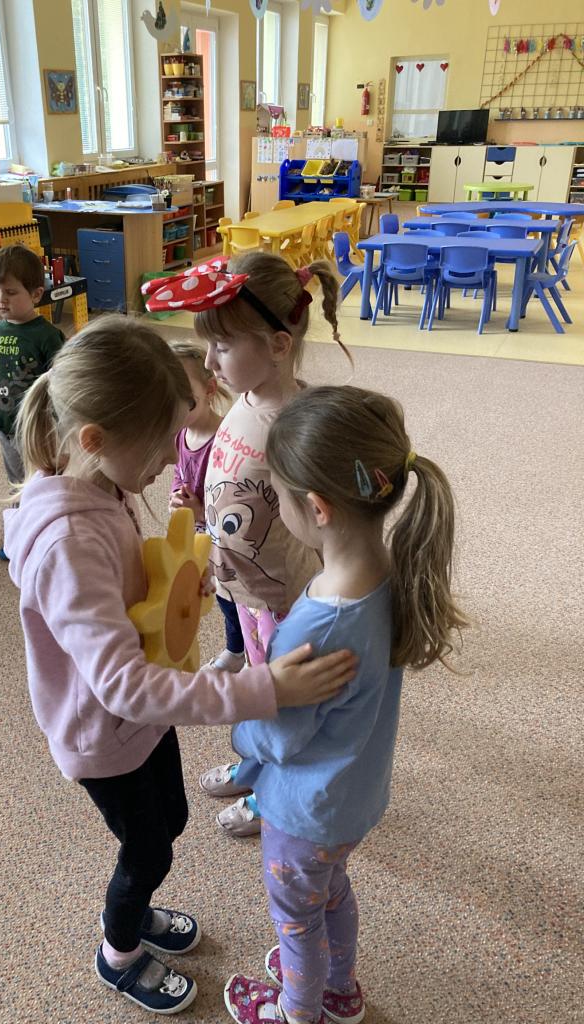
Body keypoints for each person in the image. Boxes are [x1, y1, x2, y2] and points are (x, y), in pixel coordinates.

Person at [3, 317, 358, 1017]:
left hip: (141, 722)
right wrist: (264, 689)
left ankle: (135, 909)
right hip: (105, 733)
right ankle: (119, 951)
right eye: (161, 442)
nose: (174, 456)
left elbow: (127, 604)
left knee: (169, 819)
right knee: (147, 850)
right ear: (95, 439)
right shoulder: (68, 542)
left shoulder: (100, 484)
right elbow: (122, 684)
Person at [222, 385, 468, 1024]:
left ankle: (299, 1010)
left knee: (295, 918)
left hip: (304, 810)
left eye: (277, 495)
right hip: (353, 798)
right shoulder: (391, 571)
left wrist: (239, 729)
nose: (275, 506)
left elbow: (279, 736)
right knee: (330, 893)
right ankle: (341, 987)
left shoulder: (321, 623)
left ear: (316, 508)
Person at [144, 252, 351, 838]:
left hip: (285, 599)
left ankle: (273, 792)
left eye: (222, 347)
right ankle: (257, 764)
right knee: (261, 689)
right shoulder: (247, 396)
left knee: (284, 703)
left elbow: (327, 522)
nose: (210, 363)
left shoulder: (294, 425)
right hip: (246, 589)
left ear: (279, 345)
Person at [0, 244, 65, 558]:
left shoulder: (47, 336)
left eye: (10, 292)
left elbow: (61, 385)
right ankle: (19, 537)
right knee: (17, 483)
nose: (1, 299)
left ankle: (48, 537)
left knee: (42, 483)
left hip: (38, 430)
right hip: (4, 427)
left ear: (35, 294)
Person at [168, 340, 245, 673]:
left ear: (210, 389)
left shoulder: (226, 438)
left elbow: (236, 502)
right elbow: (179, 474)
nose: (174, 407)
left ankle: (247, 650)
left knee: (236, 594)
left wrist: (201, 512)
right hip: (200, 536)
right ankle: (236, 649)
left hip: (226, 536)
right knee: (220, 595)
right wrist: (176, 496)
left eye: (184, 396)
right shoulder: (180, 435)